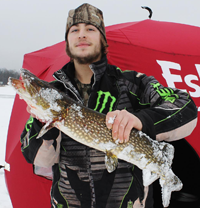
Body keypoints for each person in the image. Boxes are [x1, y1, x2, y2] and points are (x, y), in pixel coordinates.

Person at [20, 3, 198, 208]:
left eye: (90, 29)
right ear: (67, 41)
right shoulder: (54, 93)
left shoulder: (132, 83)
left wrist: (142, 119)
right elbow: (38, 159)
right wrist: (44, 127)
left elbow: (185, 106)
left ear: (102, 39)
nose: (82, 34)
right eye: (74, 30)